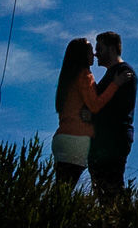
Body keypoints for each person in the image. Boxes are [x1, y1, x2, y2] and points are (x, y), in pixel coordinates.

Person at [86, 30, 138, 201]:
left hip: (112, 141)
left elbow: (113, 108)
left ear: (112, 48)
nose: (96, 53)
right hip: (106, 141)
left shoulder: (123, 72)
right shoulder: (114, 74)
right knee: (105, 192)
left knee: (111, 192)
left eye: (99, 48)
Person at [50, 37, 96, 188]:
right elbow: (95, 105)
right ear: (82, 55)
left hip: (62, 138)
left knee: (61, 188)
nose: (94, 54)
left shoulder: (67, 80)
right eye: (90, 51)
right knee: (64, 192)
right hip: (77, 139)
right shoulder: (85, 76)